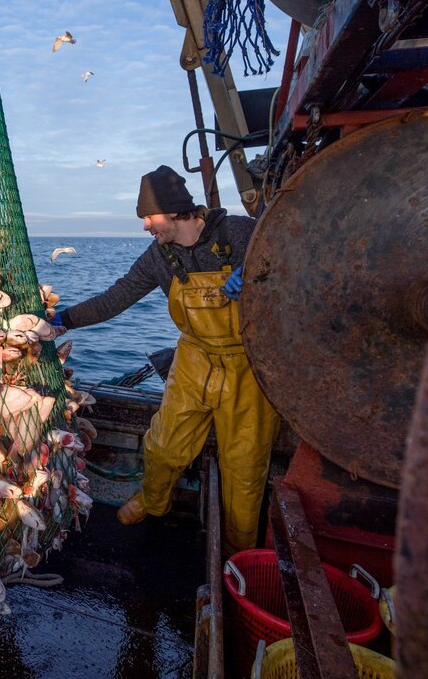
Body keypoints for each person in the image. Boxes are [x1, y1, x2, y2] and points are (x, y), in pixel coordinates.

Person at [53, 165, 278, 552]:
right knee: (162, 446)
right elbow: (117, 297)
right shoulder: (158, 257)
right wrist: (62, 319)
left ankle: (238, 552)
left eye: (148, 217)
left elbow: (292, 259)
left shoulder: (242, 233)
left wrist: (259, 270)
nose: (145, 227)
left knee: (243, 470)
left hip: (249, 364)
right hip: (194, 358)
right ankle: (154, 501)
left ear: (174, 212)